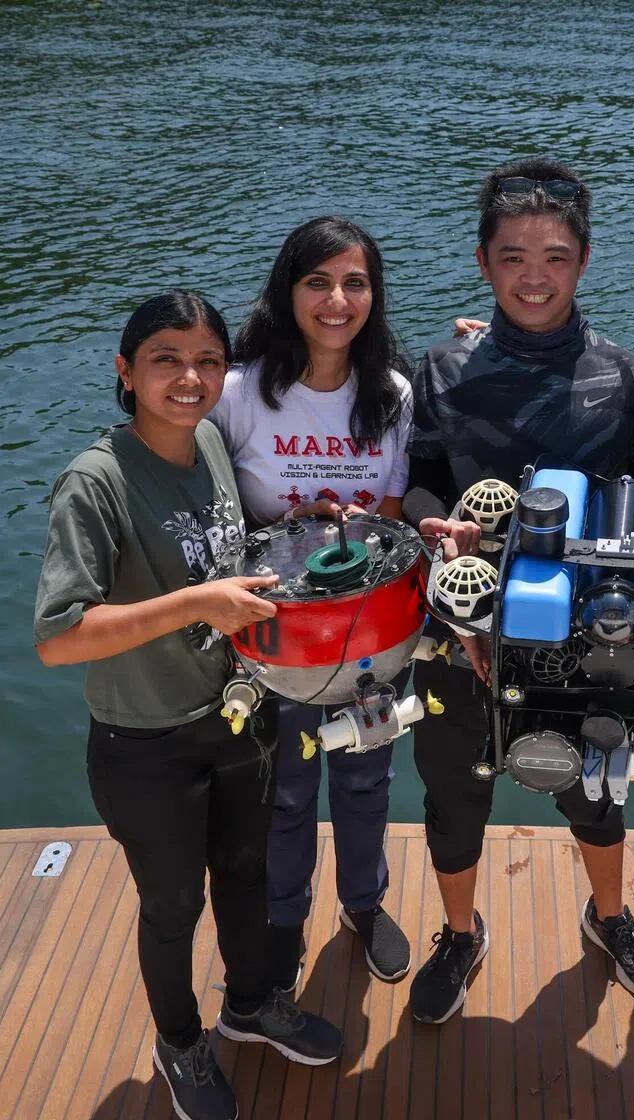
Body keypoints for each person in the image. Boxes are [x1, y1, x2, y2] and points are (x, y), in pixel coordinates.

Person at [33, 292, 342, 1120]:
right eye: (165, 359)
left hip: (236, 714)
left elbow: (222, 555)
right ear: (125, 371)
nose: (190, 378)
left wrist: (295, 526)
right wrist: (197, 604)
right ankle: (180, 1042)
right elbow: (59, 638)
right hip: (146, 741)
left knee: (245, 872)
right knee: (172, 906)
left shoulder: (209, 440)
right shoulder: (96, 481)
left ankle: (251, 1003)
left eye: (208, 360)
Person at [404, 158, 634, 1025]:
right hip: (460, 626)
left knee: (595, 789)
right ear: (482, 262)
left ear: (584, 262)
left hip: (582, 637)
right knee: (454, 795)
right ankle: (459, 933)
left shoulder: (623, 376)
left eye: (555, 257)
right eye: (513, 256)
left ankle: (610, 918)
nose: (534, 276)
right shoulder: (442, 366)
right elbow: (417, 479)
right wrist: (435, 528)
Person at [209, 217, 414, 993]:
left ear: (374, 295)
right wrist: (288, 525)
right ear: (287, 291)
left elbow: (390, 516)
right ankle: (285, 919)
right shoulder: (240, 393)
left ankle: (364, 904)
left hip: (368, 635)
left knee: (366, 779)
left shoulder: (391, 394)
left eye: (355, 283)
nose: (337, 300)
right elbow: (211, 507)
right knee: (287, 793)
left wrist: (356, 526)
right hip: (274, 639)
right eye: (318, 282)